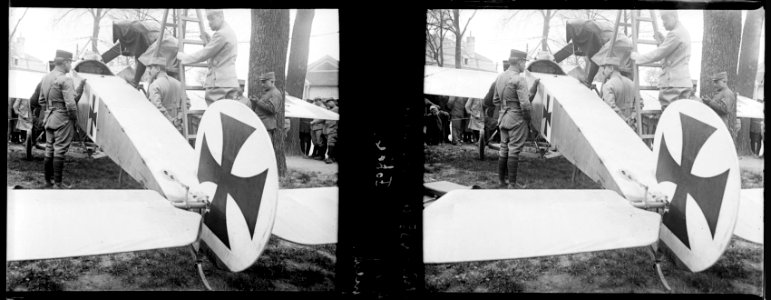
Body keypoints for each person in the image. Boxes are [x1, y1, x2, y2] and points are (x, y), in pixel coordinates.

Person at [38, 50, 86, 189]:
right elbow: (71, 104)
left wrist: (80, 88)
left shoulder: (46, 77)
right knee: (59, 150)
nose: (71, 65)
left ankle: (48, 182)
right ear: (65, 62)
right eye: (70, 62)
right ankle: (57, 184)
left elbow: (42, 100)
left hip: (49, 117)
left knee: (49, 149)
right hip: (63, 119)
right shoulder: (66, 79)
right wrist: (75, 119)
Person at [493, 49, 539, 189]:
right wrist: (529, 120)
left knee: (503, 149)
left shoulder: (500, 77)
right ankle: (512, 184)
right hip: (516, 119)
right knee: (513, 150)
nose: (525, 65)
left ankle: (502, 181)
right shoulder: (520, 79)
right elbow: (525, 104)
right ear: (519, 61)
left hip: (503, 118)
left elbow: (496, 100)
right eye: (524, 62)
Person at [630, 10, 692, 111]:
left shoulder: (675, 34)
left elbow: (659, 54)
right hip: (683, 82)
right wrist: (664, 42)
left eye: (665, 19)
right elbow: (675, 54)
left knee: (669, 117)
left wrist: (638, 58)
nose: (663, 23)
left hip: (672, 84)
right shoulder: (683, 32)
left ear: (674, 17)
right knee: (681, 118)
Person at [177, 9, 239, 105]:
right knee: (227, 114)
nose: (209, 23)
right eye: (208, 19)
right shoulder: (229, 32)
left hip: (218, 84)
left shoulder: (221, 34)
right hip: (230, 82)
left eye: (211, 19)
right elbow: (220, 54)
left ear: (221, 16)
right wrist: (210, 42)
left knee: (214, 114)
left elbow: (204, 54)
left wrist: (184, 58)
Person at [102, 19, 181, 87]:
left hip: (164, 43)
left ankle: (136, 83)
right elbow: (120, 48)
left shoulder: (136, 31)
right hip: (174, 44)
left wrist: (135, 81)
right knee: (169, 76)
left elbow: (141, 59)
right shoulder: (137, 27)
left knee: (145, 62)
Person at [147, 56, 187, 134]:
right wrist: (179, 118)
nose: (149, 71)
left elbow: (157, 107)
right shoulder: (178, 84)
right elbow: (187, 103)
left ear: (158, 69)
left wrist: (171, 120)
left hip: (162, 127)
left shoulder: (154, 85)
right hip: (178, 126)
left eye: (151, 68)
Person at [598, 57, 638, 131]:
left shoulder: (608, 85)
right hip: (631, 126)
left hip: (615, 126)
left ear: (611, 68)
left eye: (604, 68)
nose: (603, 71)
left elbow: (611, 107)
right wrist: (632, 117)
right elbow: (639, 103)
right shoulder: (631, 83)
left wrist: (624, 120)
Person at [702, 71, 738, 140]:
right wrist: (708, 101)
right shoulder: (720, 93)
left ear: (724, 81)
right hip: (715, 124)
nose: (714, 85)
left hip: (721, 125)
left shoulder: (728, 93)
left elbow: (725, 109)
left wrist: (710, 102)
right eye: (714, 82)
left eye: (716, 82)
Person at [251, 72, 282, 146]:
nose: (262, 85)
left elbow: (272, 109)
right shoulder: (268, 92)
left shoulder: (275, 93)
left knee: (265, 149)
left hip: (267, 127)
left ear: (272, 81)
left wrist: (258, 102)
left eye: (264, 82)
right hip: (262, 126)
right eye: (262, 82)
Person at [323, 99, 339, 164]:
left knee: (331, 143)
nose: (328, 104)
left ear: (334, 102)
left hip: (333, 129)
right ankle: (332, 157)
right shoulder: (332, 109)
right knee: (331, 143)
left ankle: (330, 158)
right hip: (329, 129)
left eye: (330, 102)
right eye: (327, 103)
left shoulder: (336, 109)